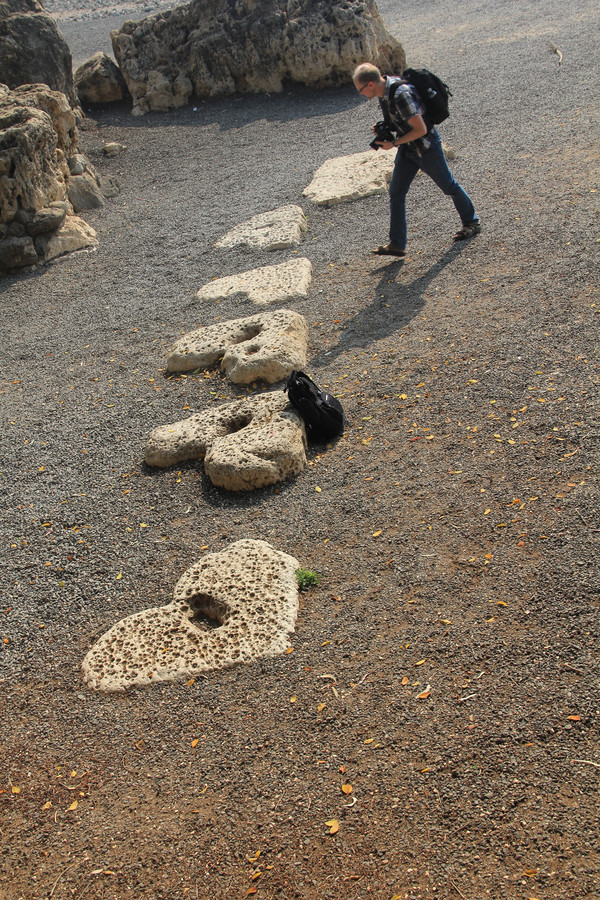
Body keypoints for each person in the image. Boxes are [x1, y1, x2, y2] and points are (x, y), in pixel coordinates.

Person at [353, 63, 481, 257]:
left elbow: (421, 129)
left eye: (360, 90)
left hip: (426, 147)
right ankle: (397, 244)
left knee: (448, 185)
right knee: (396, 192)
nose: (361, 94)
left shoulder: (400, 94)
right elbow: (402, 120)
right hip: (408, 148)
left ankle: (471, 222)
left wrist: (393, 143)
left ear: (370, 84)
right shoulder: (383, 92)